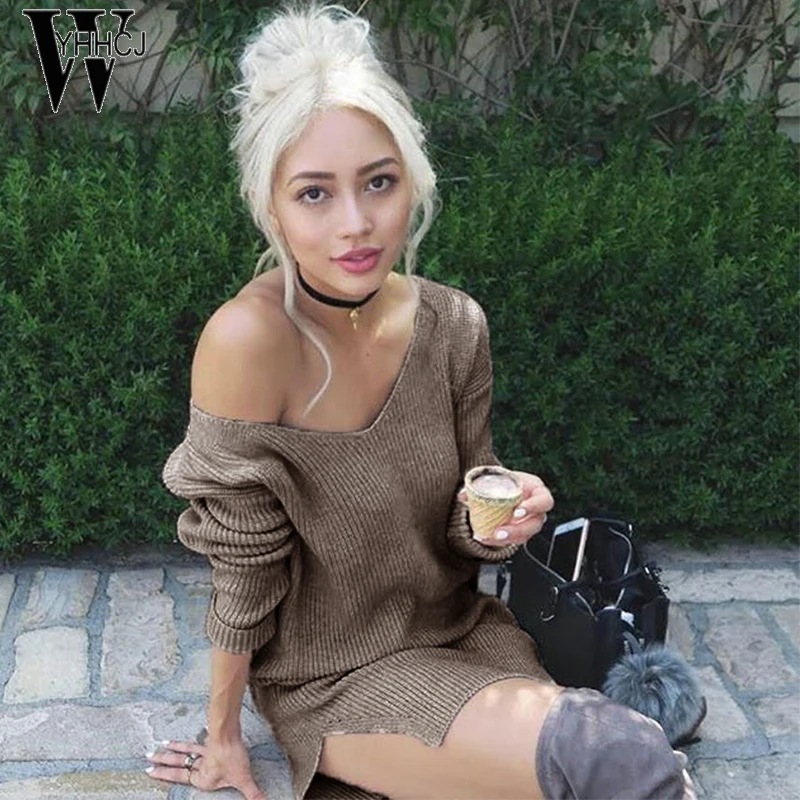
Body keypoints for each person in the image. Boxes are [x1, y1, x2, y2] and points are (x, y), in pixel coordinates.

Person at [148, 2, 697, 798]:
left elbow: (463, 526)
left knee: (601, 756)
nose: (357, 223)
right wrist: (225, 733)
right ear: (271, 206)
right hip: (333, 679)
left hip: (464, 638)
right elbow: (243, 563)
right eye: (314, 194)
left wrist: (499, 517)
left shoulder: (454, 324)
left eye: (379, 182)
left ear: (413, 179)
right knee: (616, 757)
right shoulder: (249, 342)